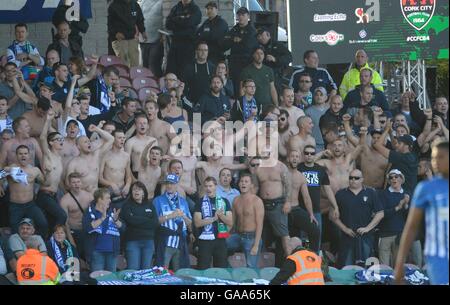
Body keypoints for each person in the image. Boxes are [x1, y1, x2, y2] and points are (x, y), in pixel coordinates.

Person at [394, 141, 449, 285]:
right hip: (438, 256)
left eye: (441, 157)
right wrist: (400, 263)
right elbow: (411, 226)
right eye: (434, 157)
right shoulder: (426, 188)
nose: (435, 162)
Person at [333, 169, 384, 267]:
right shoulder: (340, 194)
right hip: (347, 238)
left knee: (366, 269)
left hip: (365, 237)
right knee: (346, 268)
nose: (353, 180)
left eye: (356, 178)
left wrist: (367, 228)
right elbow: (332, 216)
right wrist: (345, 229)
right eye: (350, 178)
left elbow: (380, 213)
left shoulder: (370, 193)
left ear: (362, 180)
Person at [298, 145, 339, 248]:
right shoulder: (298, 168)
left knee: (316, 240)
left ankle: (314, 261)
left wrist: (335, 206)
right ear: (303, 155)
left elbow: (327, 189)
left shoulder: (320, 170)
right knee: (300, 242)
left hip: (316, 210)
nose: (309, 155)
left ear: (314, 155)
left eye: (312, 153)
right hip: (300, 210)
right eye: (306, 153)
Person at [2, 146, 48, 236]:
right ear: (16, 155)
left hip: (30, 205)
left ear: (29, 155)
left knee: (43, 224)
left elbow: (44, 182)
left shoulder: (35, 170)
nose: (23, 156)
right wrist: (4, 171)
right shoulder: (12, 168)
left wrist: (47, 173)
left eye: (25, 153)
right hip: (15, 206)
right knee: (15, 230)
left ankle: (36, 245)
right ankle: (18, 248)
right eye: (20, 154)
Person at [254, 155, 292, 258]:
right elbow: (256, 187)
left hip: (278, 204)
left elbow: (288, 184)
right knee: (258, 233)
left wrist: (288, 201)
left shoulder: (280, 166)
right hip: (262, 204)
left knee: (284, 235)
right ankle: (257, 265)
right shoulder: (258, 168)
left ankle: (292, 262)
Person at [153, 174, 192, 271]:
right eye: (167, 183)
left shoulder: (183, 201)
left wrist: (183, 216)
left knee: (180, 274)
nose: (169, 186)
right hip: (165, 243)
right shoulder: (158, 200)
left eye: (172, 183)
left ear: (177, 185)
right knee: (161, 273)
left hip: (180, 243)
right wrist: (171, 216)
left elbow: (189, 223)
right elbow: (154, 221)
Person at [36, 112, 67, 231]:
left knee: (51, 221)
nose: (61, 141)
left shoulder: (59, 158)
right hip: (44, 195)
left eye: (61, 139)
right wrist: (48, 120)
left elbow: (58, 181)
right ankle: (54, 239)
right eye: (58, 139)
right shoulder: (48, 155)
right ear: (51, 143)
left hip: (53, 196)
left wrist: (65, 192)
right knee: (62, 216)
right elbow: (42, 137)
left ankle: (51, 242)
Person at [194, 177, 233, 270]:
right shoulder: (200, 202)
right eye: (206, 186)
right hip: (204, 241)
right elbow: (197, 223)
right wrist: (213, 219)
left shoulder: (224, 201)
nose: (208, 188)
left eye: (210, 186)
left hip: (220, 239)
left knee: (221, 270)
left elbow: (230, 222)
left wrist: (221, 217)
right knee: (203, 269)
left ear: (216, 186)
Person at [286, 150, 321, 253]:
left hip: (296, 210)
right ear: (288, 158)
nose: (294, 158)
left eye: (297, 156)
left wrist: (311, 214)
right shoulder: (282, 174)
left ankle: (313, 257)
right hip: (283, 210)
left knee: (315, 230)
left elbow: (306, 197)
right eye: (292, 156)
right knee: (286, 239)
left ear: (299, 159)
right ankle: (282, 265)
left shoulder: (301, 176)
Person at [120, 182, 159, 270]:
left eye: (139, 189)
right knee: (133, 270)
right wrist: (147, 220)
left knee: (146, 271)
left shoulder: (150, 205)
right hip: (132, 241)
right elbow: (131, 220)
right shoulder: (127, 205)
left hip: (148, 242)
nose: (136, 191)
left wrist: (137, 219)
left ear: (143, 192)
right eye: (134, 189)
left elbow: (155, 223)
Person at [65, 124, 114, 194]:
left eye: (89, 141)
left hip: (96, 196)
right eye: (85, 142)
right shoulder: (73, 163)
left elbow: (111, 139)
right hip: (82, 197)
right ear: (78, 146)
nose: (89, 143)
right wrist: (81, 187)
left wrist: (97, 129)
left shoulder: (96, 156)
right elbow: (67, 184)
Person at [228, 173, 264, 268]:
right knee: (220, 246)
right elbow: (232, 222)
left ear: (251, 185)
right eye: (241, 181)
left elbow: (260, 225)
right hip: (238, 235)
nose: (243, 184)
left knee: (251, 268)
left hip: (252, 238)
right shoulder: (236, 200)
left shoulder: (257, 201)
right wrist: (223, 235)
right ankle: (231, 275)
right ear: (239, 184)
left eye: (246, 181)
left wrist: (256, 245)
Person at [377, 170, 412, 267]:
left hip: (400, 235)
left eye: (396, 176)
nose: (393, 179)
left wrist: (406, 205)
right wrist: (397, 207)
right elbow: (381, 214)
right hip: (385, 234)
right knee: (384, 267)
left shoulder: (407, 194)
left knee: (399, 266)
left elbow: (411, 216)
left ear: (401, 179)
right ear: (388, 181)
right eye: (391, 177)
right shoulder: (382, 194)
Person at [82, 188, 122, 272]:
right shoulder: (90, 212)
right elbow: (87, 228)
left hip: (112, 252)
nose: (110, 200)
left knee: (111, 279)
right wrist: (102, 218)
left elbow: (123, 228)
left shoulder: (112, 211)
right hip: (97, 253)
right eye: (107, 198)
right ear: (100, 199)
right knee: (98, 279)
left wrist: (116, 220)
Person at [222, 7, 258, 97]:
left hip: (247, 63)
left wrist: (238, 40)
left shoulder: (252, 30)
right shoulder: (234, 29)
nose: (240, 17)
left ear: (248, 16)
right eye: (239, 15)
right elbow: (225, 43)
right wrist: (235, 40)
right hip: (234, 64)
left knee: (247, 87)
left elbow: (249, 45)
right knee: (235, 88)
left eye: (243, 15)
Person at [343, 116, 388, 189]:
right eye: (374, 138)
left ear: (384, 140)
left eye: (378, 138)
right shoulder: (365, 149)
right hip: (364, 189)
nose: (375, 140)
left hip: (379, 191)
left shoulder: (387, 155)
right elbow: (350, 137)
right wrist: (346, 122)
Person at [374, 122, 419, 194]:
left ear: (406, 146)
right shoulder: (412, 156)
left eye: (400, 143)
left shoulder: (400, 157)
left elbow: (377, 145)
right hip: (409, 195)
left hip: (401, 195)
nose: (397, 145)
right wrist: (391, 133)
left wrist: (386, 130)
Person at [60, 172, 93, 257]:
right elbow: (65, 222)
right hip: (74, 231)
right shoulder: (65, 200)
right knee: (76, 257)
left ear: (81, 183)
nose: (76, 185)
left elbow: (95, 214)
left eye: (78, 182)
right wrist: (71, 239)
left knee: (89, 255)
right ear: (69, 184)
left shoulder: (89, 196)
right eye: (74, 182)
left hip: (87, 230)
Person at [166, 0, 202, 76]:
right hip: (175, 44)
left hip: (188, 45)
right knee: (171, 71)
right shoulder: (175, 8)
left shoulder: (195, 9)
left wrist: (176, 19)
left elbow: (190, 22)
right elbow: (168, 24)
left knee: (185, 72)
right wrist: (183, 19)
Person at [99, 129, 132, 209]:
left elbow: (128, 176)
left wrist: (128, 185)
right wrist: (111, 184)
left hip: (123, 191)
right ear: (113, 139)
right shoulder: (105, 156)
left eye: (124, 138)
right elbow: (99, 178)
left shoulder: (126, 156)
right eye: (119, 138)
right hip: (109, 192)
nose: (122, 140)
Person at [108, 0, 146, 67]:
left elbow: (140, 19)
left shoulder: (135, 5)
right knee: (123, 64)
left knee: (135, 63)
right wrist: (115, 33)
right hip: (119, 40)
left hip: (132, 38)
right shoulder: (113, 6)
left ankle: (134, 77)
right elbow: (109, 24)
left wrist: (143, 31)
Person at [181, 41, 216, 109]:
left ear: (208, 52)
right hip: (195, 105)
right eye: (201, 50)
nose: (203, 52)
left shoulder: (213, 68)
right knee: (196, 119)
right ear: (196, 51)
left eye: (205, 50)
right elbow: (184, 87)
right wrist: (190, 102)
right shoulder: (189, 68)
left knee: (211, 120)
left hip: (210, 105)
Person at [139, 0, 164, 75]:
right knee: (145, 65)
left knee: (153, 65)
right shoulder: (143, 1)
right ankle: (147, 84)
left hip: (157, 41)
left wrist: (163, 35)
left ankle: (157, 85)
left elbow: (166, 19)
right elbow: (138, 18)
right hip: (143, 40)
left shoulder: (162, 2)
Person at [305, 87, 329, 152]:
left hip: (330, 144)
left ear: (326, 97)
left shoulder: (330, 110)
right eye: (316, 95)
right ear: (313, 97)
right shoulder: (308, 112)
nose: (319, 97)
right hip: (315, 145)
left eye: (321, 95)